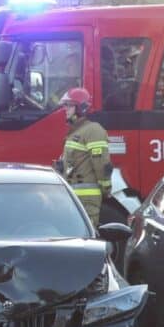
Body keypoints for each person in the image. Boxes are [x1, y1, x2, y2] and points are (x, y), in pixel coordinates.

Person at [59, 88, 111, 227]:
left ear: (80, 108)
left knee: (86, 235)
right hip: (73, 197)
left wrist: (106, 188)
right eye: (65, 105)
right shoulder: (76, 132)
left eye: (69, 105)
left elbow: (101, 163)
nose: (65, 109)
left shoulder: (93, 130)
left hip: (87, 199)